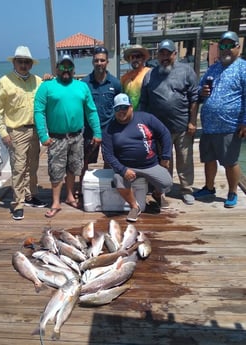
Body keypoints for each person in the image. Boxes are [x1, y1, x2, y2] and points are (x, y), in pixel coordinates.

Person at [34, 54, 102, 218]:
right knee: (56, 169)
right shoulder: (46, 86)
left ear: (73, 69)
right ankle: (56, 202)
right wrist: (43, 135)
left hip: (77, 136)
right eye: (63, 67)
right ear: (57, 68)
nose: (66, 70)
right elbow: (38, 111)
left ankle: (70, 195)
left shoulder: (82, 87)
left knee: (73, 167)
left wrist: (97, 132)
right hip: (56, 137)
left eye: (69, 67)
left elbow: (91, 111)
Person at [139, 39, 199, 205]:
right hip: (158, 129)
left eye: (168, 53)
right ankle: (163, 189)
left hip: (182, 127)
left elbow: (194, 98)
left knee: (185, 160)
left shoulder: (187, 71)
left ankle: (187, 189)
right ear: (157, 55)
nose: (165, 57)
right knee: (164, 161)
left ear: (175, 54)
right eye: (162, 53)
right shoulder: (150, 74)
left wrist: (192, 122)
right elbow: (143, 101)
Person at [0, 46, 47, 221]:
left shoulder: (38, 81)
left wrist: (49, 80)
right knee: (18, 168)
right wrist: (3, 133)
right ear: (14, 62)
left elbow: (48, 94)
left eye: (27, 62)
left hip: (35, 130)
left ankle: (30, 196)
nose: (23, 64)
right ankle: (18, 203)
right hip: (16, 131)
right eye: (20, 61)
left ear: (31, 64)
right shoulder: (4, 82)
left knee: (33, 166)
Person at [193, 31, 246, 208]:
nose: (226, 49)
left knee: (230, 161)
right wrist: (202, 92)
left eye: (230, 45)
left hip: (230, 126)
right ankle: (209, 187)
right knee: (208, 158)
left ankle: (232, 192)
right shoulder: (213, 68)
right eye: (222, 46)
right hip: (208, 126)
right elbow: (200, 91)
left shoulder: (243, 68)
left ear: (238, 48)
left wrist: (244, 122)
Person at [102, 93, 173, 222]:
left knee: (167, 183)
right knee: (118, 179)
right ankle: (134, 206)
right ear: (114, 110)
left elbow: (165, 134)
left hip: (150, 164)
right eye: (117, 108)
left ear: (131, 107)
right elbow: (108, 155)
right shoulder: (109, 129)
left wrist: (166, 156)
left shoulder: (147, 118)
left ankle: (157, 195)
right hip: (127, 167)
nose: (121, 111)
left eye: (124, 107)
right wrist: (123, 170)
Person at [80, 46, 121, 194]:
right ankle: (83, 188)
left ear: (107, 62)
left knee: (109, 160)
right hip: (89, 131)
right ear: (92, 62)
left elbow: (119, 106)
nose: (99, 63)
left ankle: (107, 186)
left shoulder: (115, 83)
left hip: (109, 129)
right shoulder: (84, 83)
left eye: (102, 60)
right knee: (84, 161)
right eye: (96, 60)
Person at [121, 45, 151, 110]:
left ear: (143, 58)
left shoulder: (150, 73)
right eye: (132, 57)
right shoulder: (124, 78)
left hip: (145, 115)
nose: (135, 59)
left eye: (138, 56)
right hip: (129, 115)